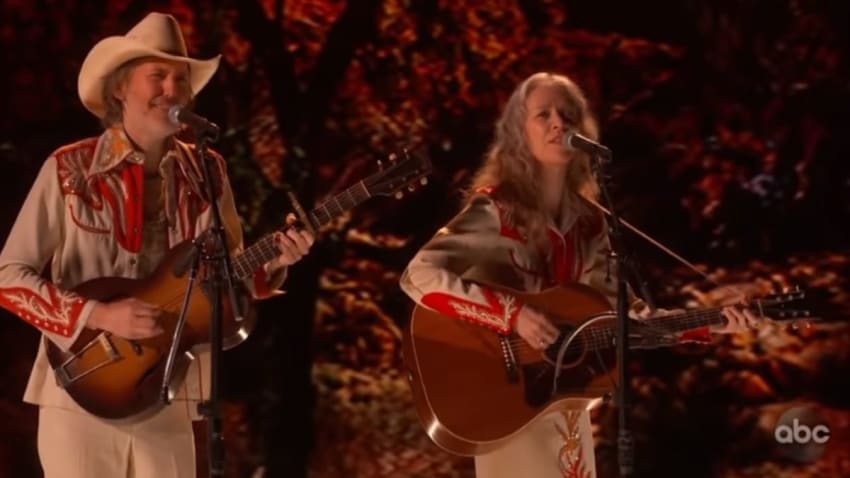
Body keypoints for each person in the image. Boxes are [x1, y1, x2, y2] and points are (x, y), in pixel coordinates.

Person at [399, 71, 761, 478]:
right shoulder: (496, 212)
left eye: (568, 113)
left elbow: (624, 320)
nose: (558, 123)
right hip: (505, 402)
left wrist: (712, 323)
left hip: (564, 406)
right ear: (520, 133)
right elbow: (419, 275)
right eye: (543, 115)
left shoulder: (590, 223)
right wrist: (512, 314)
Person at [0, 12, 314, 478]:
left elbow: (225, 278)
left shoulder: (208, 172)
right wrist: (98, 315)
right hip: (80, 390)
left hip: (169, 390)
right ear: (121, 88)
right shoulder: (69, 169)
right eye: (158, 76)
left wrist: (278, 261)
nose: (172, 88)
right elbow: (8, 278)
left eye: (180, 78)